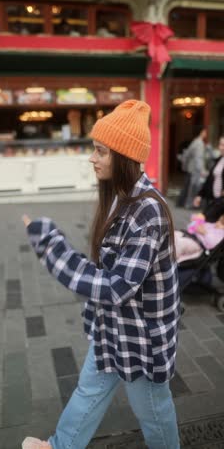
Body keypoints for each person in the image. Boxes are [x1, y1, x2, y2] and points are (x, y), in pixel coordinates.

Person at [21, 100, 181, 449]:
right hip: (115, 329)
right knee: (88, 390)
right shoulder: (120, 196)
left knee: (154, 415)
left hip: (141, 340)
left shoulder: (148, 212)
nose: (92, 158)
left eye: (100, 151)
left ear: (124, 156)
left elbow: (115, 286)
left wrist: (52, 248)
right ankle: (59, 446)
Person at [193, 136, 224, 220]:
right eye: (220, 144)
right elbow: (209, 180)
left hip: (220, 205)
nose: (220, 147)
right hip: (214, 201)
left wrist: (205, 215)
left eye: (223, 145)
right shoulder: (219, 159)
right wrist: (200, 195)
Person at [176, 127, 207, 209]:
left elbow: (189, 155)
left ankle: (181, 203)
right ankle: (189, 204)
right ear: (202, 132)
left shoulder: (195, 141)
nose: (206, 133)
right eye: (205, 132)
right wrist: (202, 170)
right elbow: (198, 158)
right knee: (193, 188)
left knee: (187, 187)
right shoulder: (199, 143)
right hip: (195, 169)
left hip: (190, 168)